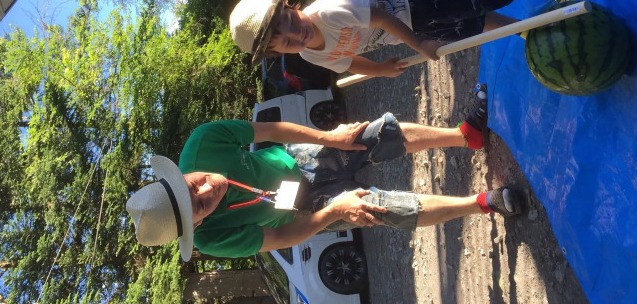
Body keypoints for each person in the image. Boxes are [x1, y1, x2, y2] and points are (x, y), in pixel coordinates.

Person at [126, 88, 522, 260]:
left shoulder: (203, 142)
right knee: (383, 209)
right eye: (200, 208)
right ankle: (484, 203)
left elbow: (272, 129)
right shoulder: (212, 240)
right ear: (196, 225)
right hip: (304, 211)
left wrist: (330, 137)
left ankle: (465, 135)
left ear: (180, 174)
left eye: (193, 185)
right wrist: (335, 211)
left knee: (372, 135)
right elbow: (281, 238)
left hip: (298, 159)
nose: (208, 191)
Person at [228, 0, 577, 76]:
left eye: (289, 20)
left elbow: (382, 17)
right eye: (286, 41)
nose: (297, 34)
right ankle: (522, 28)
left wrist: (419, 46)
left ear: (289, 6)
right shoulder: (311, 56)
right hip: (412, 30)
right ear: (279, 52)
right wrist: (380, 69)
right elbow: (348, 63)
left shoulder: (329, 12)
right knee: (473, 23)